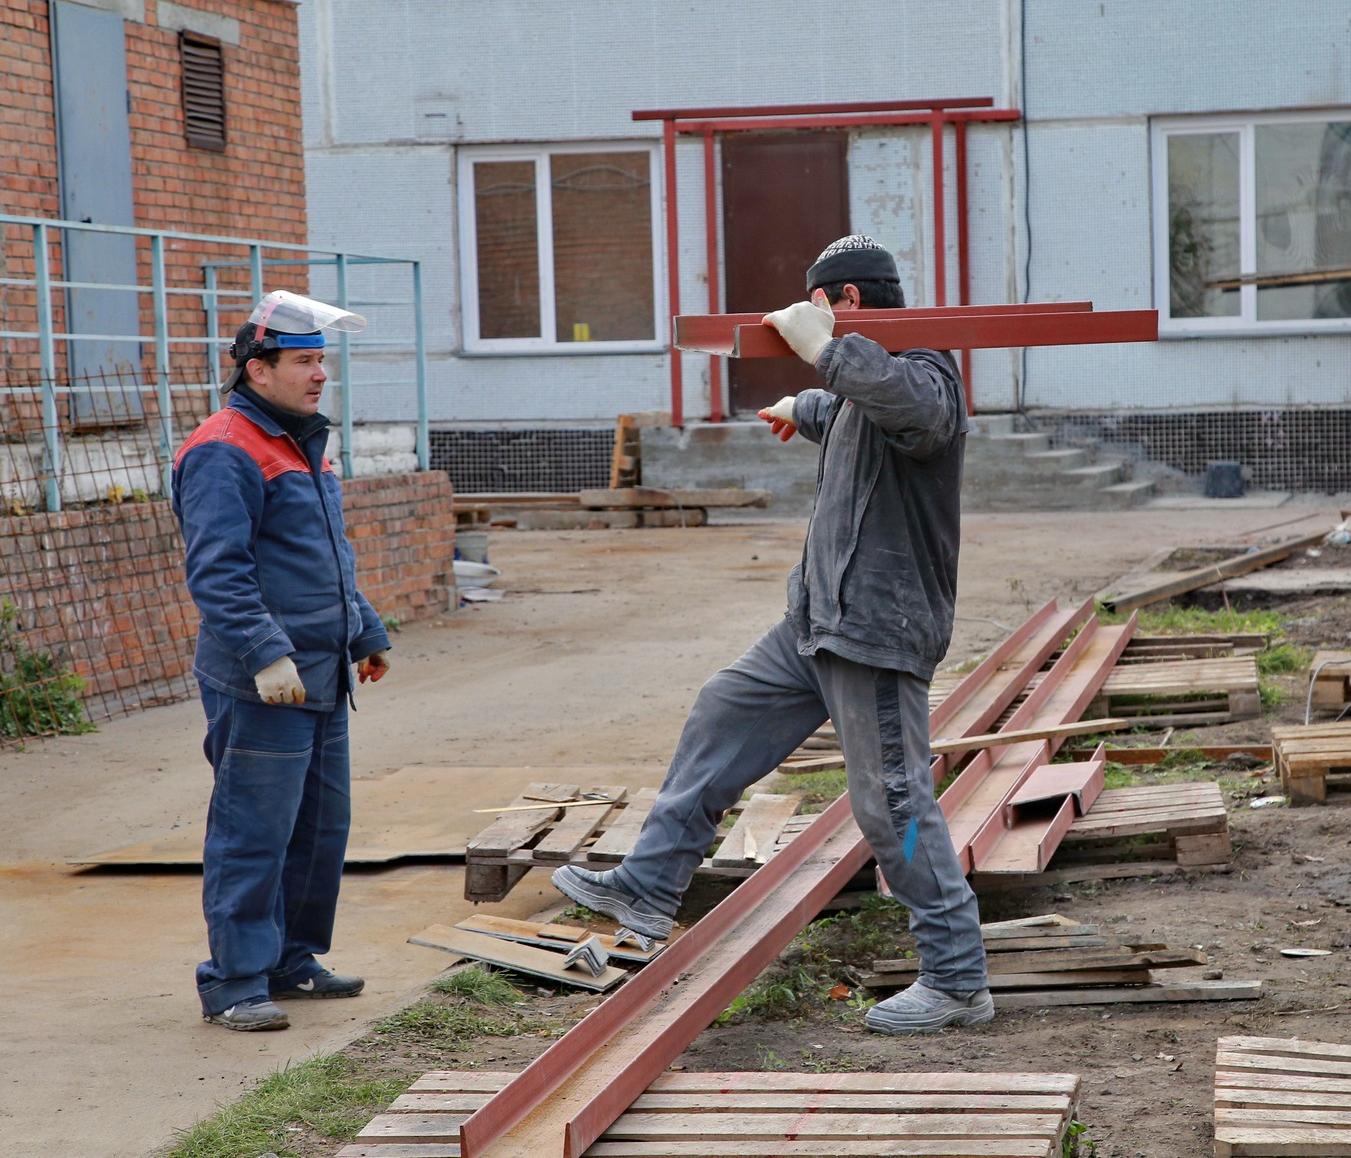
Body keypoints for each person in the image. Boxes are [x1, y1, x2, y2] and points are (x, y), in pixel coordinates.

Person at [553, 236, 990, 1034]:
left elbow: (918, 417)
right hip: (815, 620)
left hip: (876, 630)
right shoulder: (863, 379)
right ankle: (649, 887)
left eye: (816, 308)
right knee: (722, 710)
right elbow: (855, 408)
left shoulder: (926, 364)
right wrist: (803, 405)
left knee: (890, 804)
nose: (809, 324)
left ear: (844, 302)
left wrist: (824, 354)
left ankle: (957, 979)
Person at [172, 290, 392, 1031]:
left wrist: (364, 630)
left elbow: (325, 558)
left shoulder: (300, 443)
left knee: (320, 830)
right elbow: (219, 573)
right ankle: (234, 981)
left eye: (321, 360)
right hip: (264, 683)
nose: (319, 374)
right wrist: (267, 654)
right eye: (303, 361)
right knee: (253, 832)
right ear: (256, 370)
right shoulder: (223, 449)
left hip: (321, 677)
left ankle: (291, 959)